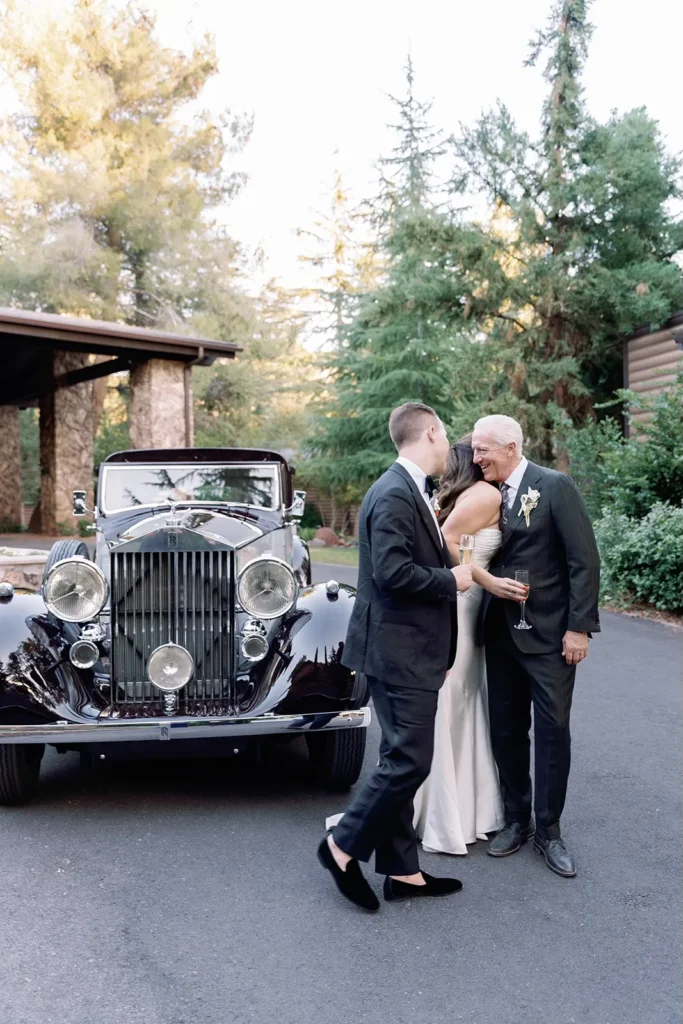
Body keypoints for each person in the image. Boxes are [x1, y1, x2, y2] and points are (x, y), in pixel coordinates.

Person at [317, 402, 473, 912]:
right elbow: (393, 574)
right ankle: (342, 846)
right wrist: (453, 579)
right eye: (444, 434)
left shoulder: (409, 489)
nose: (448, 445)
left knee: (399, 758)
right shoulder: (392, 492)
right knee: (410, 759)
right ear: (429, 432)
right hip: (397, 649)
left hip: (411, 648)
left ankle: (403, 873)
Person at [472, 414, 601, 878]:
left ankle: (550, 831)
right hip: (499, 634)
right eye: (473, 449)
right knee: (505, 731)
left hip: (549, 637)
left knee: (551, 733)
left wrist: (579, 628)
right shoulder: (480, 491)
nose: (476, 456)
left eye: (483, 449)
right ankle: (515, 820)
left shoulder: (555, 487)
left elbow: (583, 561)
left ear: (510, 447)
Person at [412, 436, 527, 854]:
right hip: (464, 600)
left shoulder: (477, 494)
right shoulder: (483, 495)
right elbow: (447, 539)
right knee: (455, 699)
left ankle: (454, 805)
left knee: (461, 699)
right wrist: (486, 579)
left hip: (467, 602)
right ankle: (449, 811)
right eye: (476, 454)